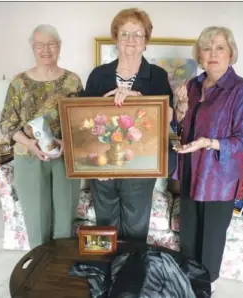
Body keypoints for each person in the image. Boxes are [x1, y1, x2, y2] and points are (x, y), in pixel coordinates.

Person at [172, 26, 243, 292]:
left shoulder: (241, 91)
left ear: (230, 53)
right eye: (207, 48)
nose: (213, 53)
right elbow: (182, 131)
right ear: (199, 54)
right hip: (190, 173)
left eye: (219, 47)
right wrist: (181, 109)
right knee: (188, 240)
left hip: (218, 180)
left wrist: (210, 143)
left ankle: (202, 292)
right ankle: (185, 290)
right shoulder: (193, 86)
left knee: (209, 246)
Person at [82, 8, 173, 241]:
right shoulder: (98, 75)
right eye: (124, 33)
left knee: (135, 225)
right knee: (105, 223)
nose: (131, 40)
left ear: (146, 41)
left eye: (138, 34)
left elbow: (168, 119)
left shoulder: (158, 76)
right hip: (103, 165)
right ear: (116, 38)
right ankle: (106, 272)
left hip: (140, 166)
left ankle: (132, 273)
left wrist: (139, 101)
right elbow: (84, 124)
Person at [0, 24, 83, 249]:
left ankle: (60, 269)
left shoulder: (72, 81)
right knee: (36, 219)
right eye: (40, 45)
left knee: (65, 217)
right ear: (32, 48)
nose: (46, 49)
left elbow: (81, 122)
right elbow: (7, 124)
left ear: (59, 47)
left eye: (51, 44)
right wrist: (30, 143)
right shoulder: (19, 83)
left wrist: (67, 141)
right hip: (28, 157)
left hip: (65, 157)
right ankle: (39, 270)